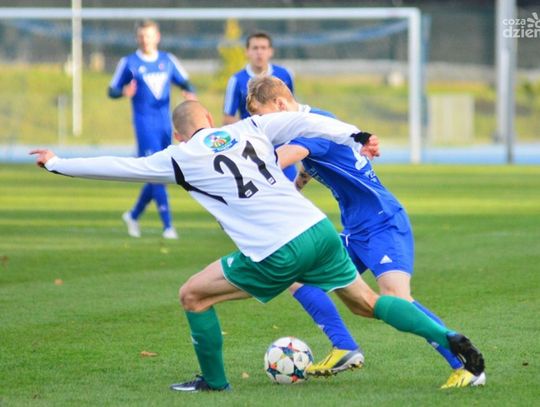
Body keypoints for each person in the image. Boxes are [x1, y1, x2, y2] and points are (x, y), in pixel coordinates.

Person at [30, 100, 484, 393]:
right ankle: (447, 337)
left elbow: (119, 167)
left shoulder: (179, 157)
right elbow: (307, 119)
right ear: (211, 121)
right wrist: (356, 134)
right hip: (319, 231)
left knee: (193, 295)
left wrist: (57, 164)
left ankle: (214, 382)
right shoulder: (251, 127)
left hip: (274, 251)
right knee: (368, 304)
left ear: (179, 135)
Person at [246, 76, 486, 389]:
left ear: (279, 104)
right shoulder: (314, 120)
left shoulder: (309, 128)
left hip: (383, 223)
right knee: (299, 277)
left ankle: (467, 366)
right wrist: (297, 186)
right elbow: (312, 160)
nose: (261, 125)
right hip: (356, 229)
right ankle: (344, 347)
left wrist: (243, 171)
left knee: (397, 299)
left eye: (261, 117)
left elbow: (282, 158)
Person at [108, 19, 197, 239]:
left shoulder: (168, 60)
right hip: (144, 125)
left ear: (157, 37)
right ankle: (168, 226)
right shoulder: (129, 63)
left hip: (165, 125)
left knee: (163, 171)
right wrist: (123, 92)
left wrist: (189, 93)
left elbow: (186, 82)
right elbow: (112, 90)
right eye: (141, 36)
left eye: (148, 35)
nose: (145, 40)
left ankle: (133, 215)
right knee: (157, 172)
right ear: (137, 38)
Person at [223, 31, 297, 181]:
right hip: (253, 147)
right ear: (247, 51)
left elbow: (292, 108)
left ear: (270, 51)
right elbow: (228, 118)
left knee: (291, 187)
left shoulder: (284, 75)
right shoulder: (237, 80)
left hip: (281, 144)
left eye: (263, 48)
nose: (259, 52)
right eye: (255, 48)